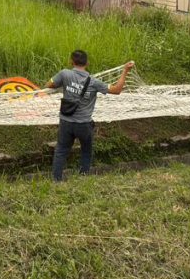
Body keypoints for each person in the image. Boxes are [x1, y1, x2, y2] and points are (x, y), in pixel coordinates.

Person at [45, 50, 135, 181]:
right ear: (87, 63)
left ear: (71, 62)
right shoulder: (94, 82)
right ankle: (83, 176)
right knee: (86, 150)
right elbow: (117, 90)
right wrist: (125, 70)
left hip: (66, 122)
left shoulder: (64, 74)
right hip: (84, 124)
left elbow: (49, 85)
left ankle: (57, 180)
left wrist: (65, 86)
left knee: (61, 151)